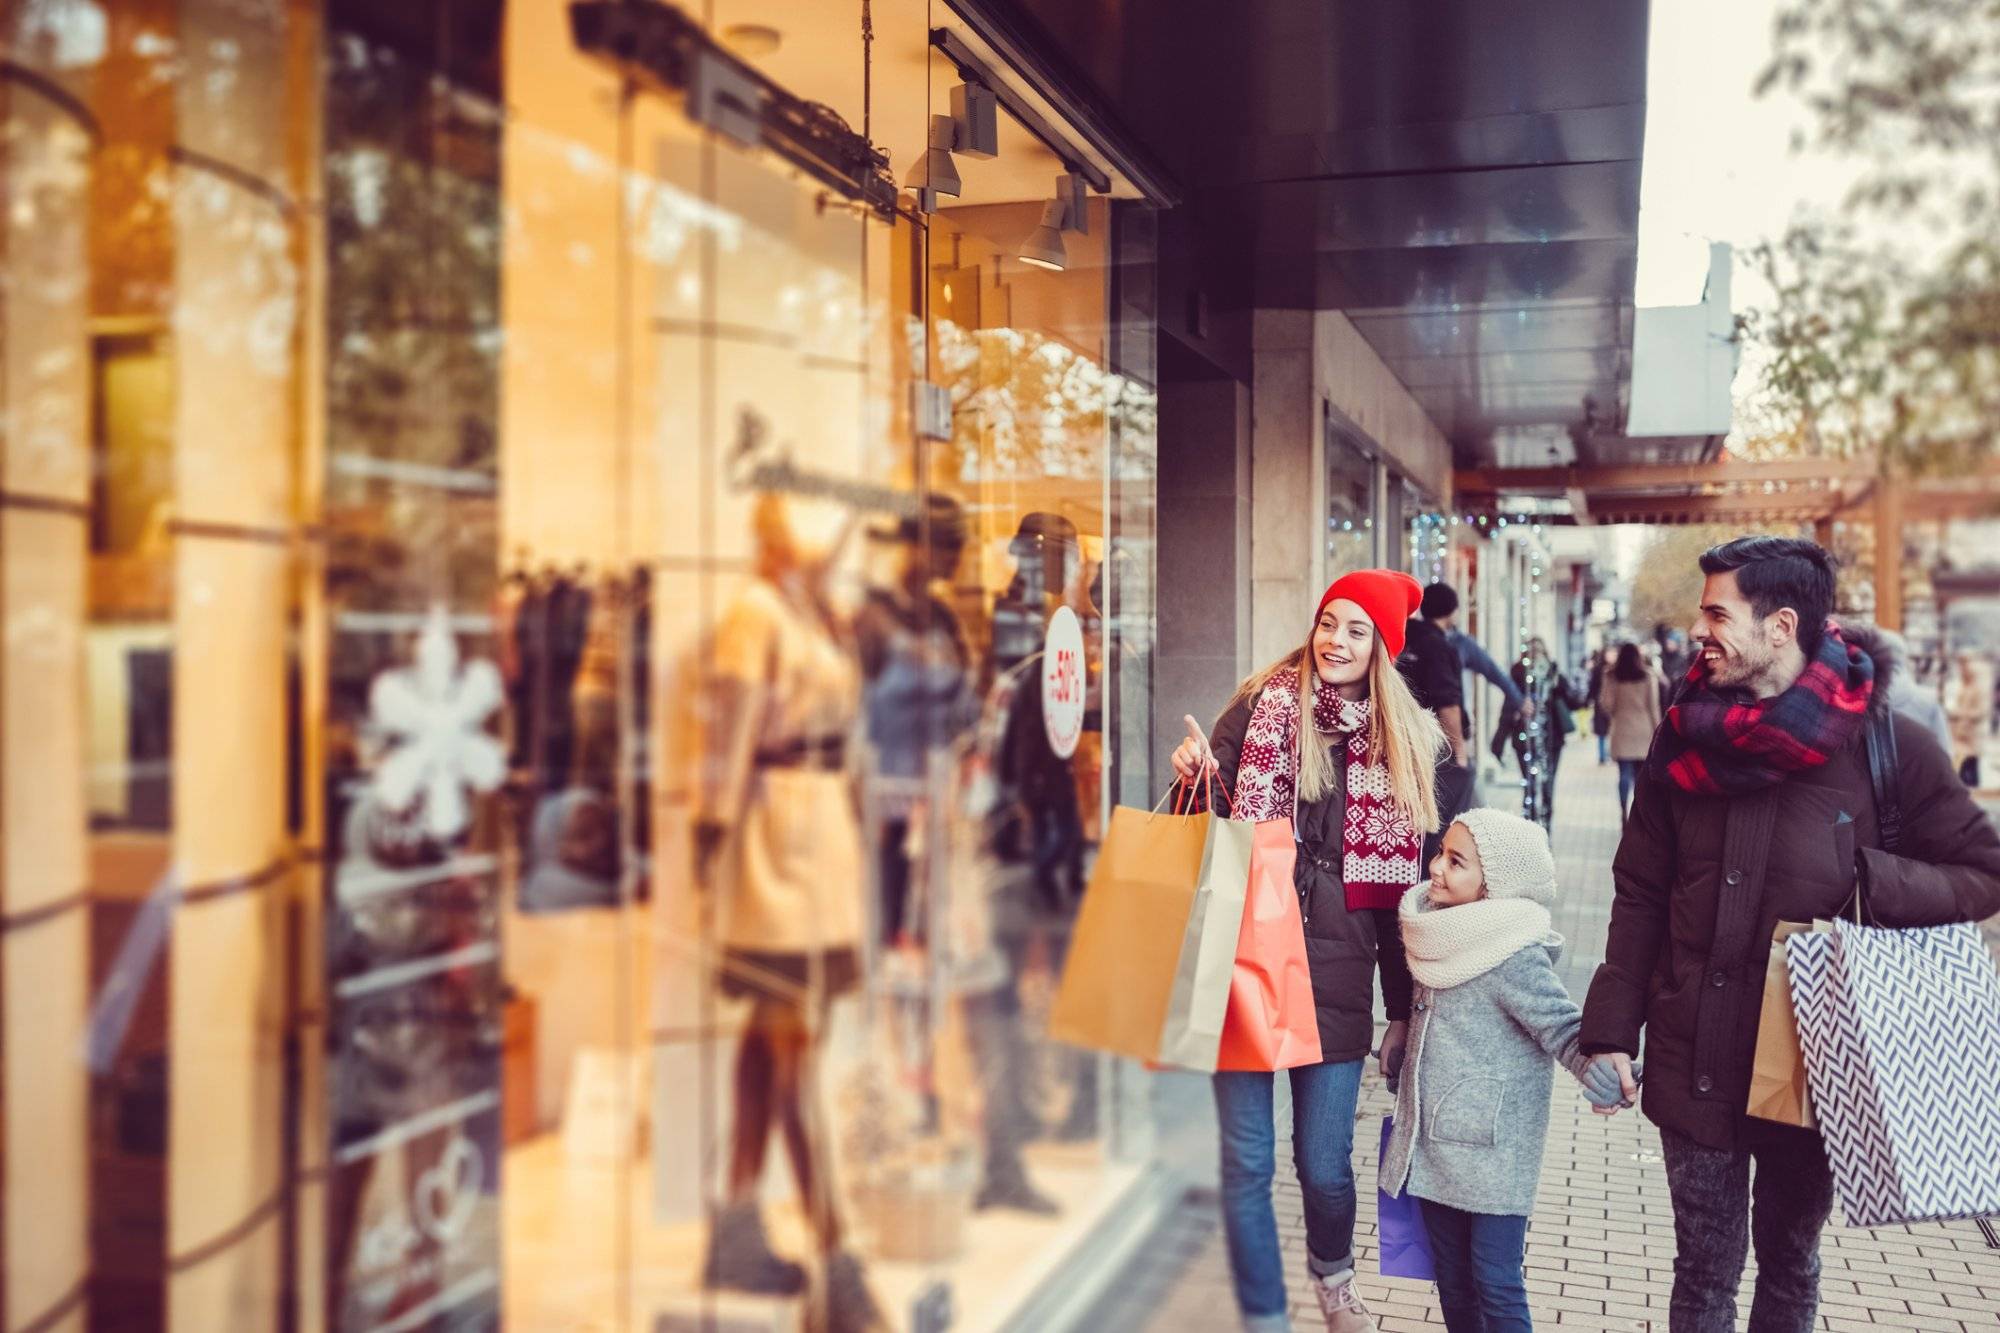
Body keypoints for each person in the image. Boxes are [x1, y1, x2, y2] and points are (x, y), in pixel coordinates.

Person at [1581, 536, 2000, 1331]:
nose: (1700, 629)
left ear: (1780, 625)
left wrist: (1873, 880)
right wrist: (1608, 1031)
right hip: (1691, 1049)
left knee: (1789, 1264)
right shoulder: (1682, 732)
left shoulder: (1887, 744)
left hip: (1814, 1064)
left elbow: (1983, 871)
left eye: (1716, 612)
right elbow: (1639, 890)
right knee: (1702, 1274)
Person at [1170, 569, 1445, 1333]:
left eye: (1358, 630)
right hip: (1247, 956)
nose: (1336, 641)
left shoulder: (1404, 742)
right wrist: (1195, 776)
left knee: (1323, 1166)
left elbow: (1402, 901)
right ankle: (1264, 1313)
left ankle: (1334, 1281)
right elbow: (1214, 819)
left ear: (1382, 649)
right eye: (1330, 622)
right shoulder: (1262, 704)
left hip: (1340, 971)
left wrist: (1403, 1012)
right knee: (1248, 1162)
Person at [1381, 808, 1628, 1331]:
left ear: (1494, 885)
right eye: (1441, 853)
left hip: (1494, 1152)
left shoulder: (1513, 955)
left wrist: (1602, 1071)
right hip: (1433, 1143)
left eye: (1457, 861)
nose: (1436, 867)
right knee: (1451, 1279)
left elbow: (1561, 1028)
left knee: (1495, 1279)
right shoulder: (1435, 933)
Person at [1398, 583, 1477, 855]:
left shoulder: (1405, 638)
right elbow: (1448, 704)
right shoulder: (1439, 646)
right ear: (1452, 611)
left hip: (1402, 741)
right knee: (1445, 825)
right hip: (1435, 749)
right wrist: (1460, 754)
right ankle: (1435, 878)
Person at [1495, 639, 1584, 829]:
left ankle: (1545, 828)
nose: (1536, 657)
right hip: (1525, 740)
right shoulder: (1519, 676)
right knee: (1530, 788)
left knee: (1547, 786)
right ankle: (1531, 827)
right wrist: (1499, 741)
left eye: (1540, 652)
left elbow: (1575, 702)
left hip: (1551, 740)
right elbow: (1508, 709)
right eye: (1532, 652)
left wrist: (1560, 685)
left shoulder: (1553, 675)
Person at [1598, 643, 1664, 818]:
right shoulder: (1649, 675)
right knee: (1640, 777)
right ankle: (1638, 813)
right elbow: (1653, 707)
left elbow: (1607, 705)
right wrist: (1658, 732)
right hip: (1644, 731)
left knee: (1623, 775)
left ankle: (1623, 811)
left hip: (1622, 731)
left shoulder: (1612, 676)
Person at [1945, 649, 1993, 787]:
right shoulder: (1964, 685)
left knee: (1969, 774)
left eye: (1964, 664)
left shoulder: (1979, 686)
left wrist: (1960, 713)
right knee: (1961, 773)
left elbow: (1982, 711)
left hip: (1971, 738)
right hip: (1960, 736)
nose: (1961, 669)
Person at [1586, 646, 1615, 764]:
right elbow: (1593, 686)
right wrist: (1589, 699)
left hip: (1613, 704)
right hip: (1600, 704)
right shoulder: (1598, 669)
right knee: (1602, 732)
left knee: (1610, 730)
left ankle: (1609, 753)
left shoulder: (1616, 669)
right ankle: (1603, 755)